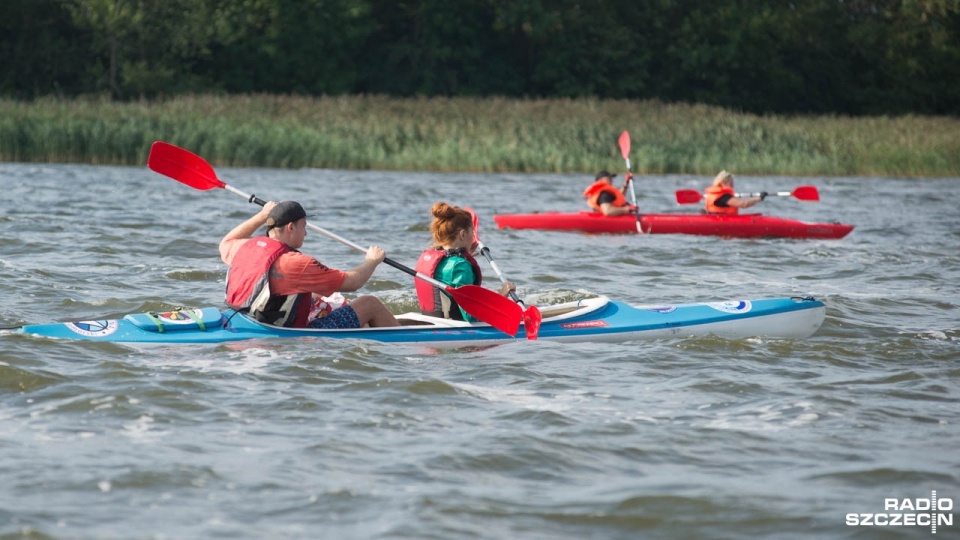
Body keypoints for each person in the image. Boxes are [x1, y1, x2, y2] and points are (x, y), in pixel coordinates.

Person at [219, 200, 399, 329]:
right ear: (290, 227)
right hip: (287, 333)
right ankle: (407, 342)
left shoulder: (245, 247)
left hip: (242, 320)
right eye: (303, 227)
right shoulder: (298, 263)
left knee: (319, 294)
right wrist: (373, 260)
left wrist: (262, 216)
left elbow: (227, 241)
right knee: (369, 304)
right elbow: (353, 283)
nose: (305, 233)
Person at [415, 202, 516, 321]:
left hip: (432, 322)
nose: (473, 239)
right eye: (471, 233)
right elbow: (471, 317)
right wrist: (502, 297)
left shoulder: (428, 258)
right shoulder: (460, 266)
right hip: (454, 329)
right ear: (462, 234)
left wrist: (465, 256)